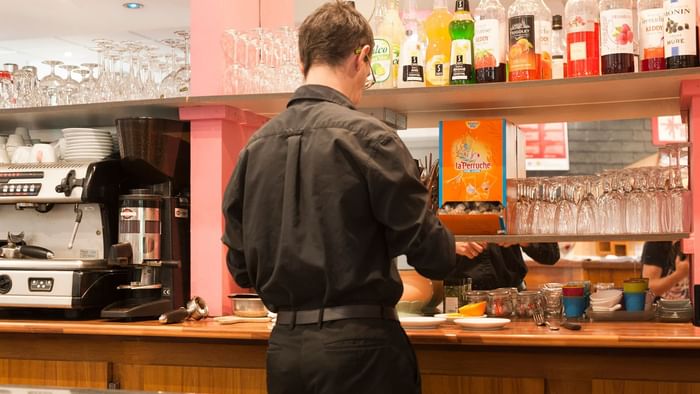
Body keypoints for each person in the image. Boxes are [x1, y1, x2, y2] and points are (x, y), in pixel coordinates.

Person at [222, 2, 466, 393]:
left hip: (285, 351)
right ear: (362, 57)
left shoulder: (254, 147)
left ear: (304, 60)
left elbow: (240, 267)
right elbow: (432, 255)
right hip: (362, 350)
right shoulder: (371, 138)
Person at [445, 242, 560, 290]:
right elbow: (427, 248)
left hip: (512, 301)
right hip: (455, 302)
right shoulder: (439, 193)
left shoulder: (515, 195)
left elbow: (551, 254)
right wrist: (450, 244)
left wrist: (522, 237)